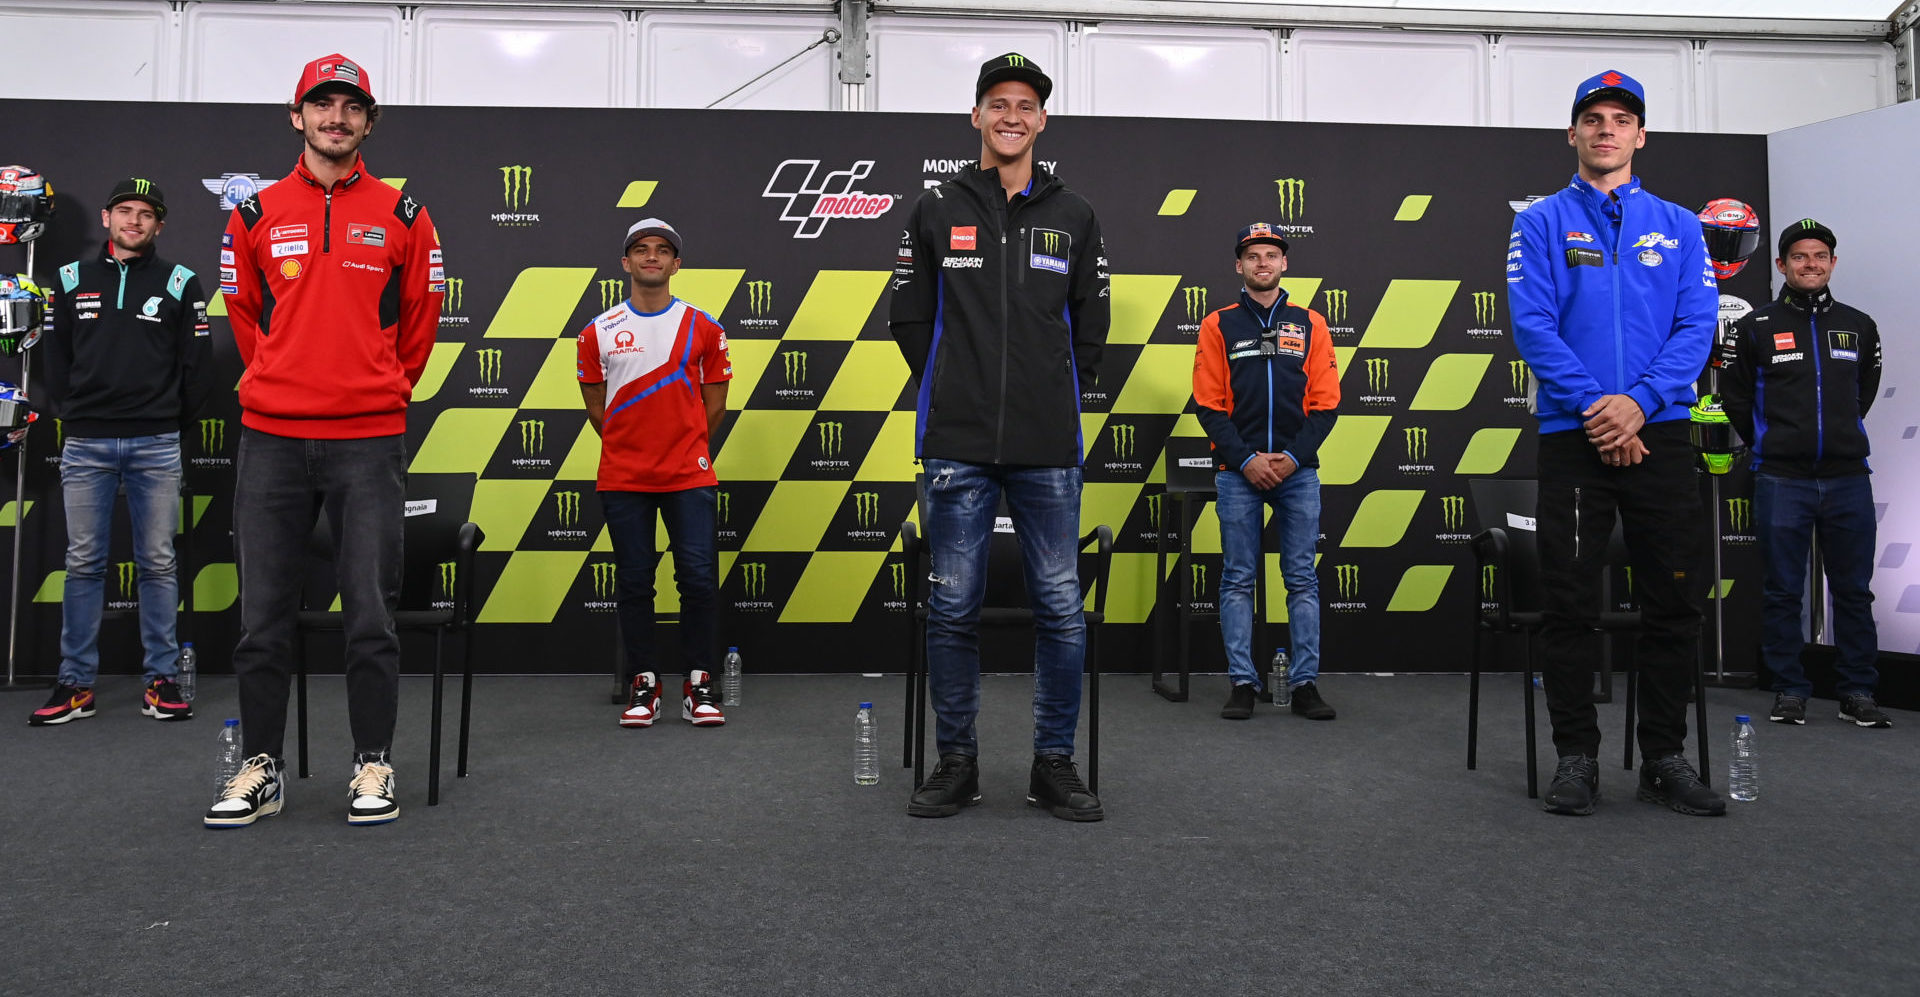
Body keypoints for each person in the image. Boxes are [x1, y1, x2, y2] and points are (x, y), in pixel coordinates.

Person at [206, 54, 444, 828]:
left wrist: (376, 385)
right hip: (271, 438)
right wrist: (286, 377)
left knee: (370, 613)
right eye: (322, 104)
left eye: (350, 106)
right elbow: (245, 320)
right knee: (263, 617)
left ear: (368, 122)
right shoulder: (253, 214)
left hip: (367, 438)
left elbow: (420, 323)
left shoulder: (406, 215)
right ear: (296, 115)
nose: (335, 117)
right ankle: (261, 767)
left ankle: (372, 760)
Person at [888, 53, 1111, 821]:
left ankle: (1053, 763)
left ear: (1042, 120)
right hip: (956, 446)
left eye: (1026, 105)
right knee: (952, 611)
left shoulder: (1075, 213)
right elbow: (910, 318)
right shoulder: (933, 207)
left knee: (1058, 607)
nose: (1012, 115)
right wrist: (959, 388)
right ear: (976, 116)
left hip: (1049, 449)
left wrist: (1051, 396)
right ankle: (958, 762)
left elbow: (1091, 327)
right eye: (998, 103)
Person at [1505, 69, 1725, 817]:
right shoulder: (1537, 223)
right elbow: (1532, 325)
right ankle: (1577, 756)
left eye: (1620, 118)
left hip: (1659, 434)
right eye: (1592, 118)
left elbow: (1698, 327)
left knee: (1673, 601)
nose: (1606, 129)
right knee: (1568, 602)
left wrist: (1637, 404)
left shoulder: (1680, 224)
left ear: (1640, 135)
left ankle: (1663, 756)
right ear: (1572, 133)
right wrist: (1602, 408)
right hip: (1575, 437)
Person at [31, 178, 212, 727]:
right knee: (84, 562)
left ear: (159, 225)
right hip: (86, 443)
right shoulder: (68, 279)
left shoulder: (180, 281)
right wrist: (77, 414)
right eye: (124, 211)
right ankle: (75, 683)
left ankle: (159, 679)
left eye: (147, 213)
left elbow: (197, 369)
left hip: (156, 442)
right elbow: (54, 362)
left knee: (157, 562)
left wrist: (165, 420)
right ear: (107, 218)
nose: (134, 220)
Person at [1719, 220, 1889, 729]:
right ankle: (1789, 689)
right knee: (1782, 590)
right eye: (1799, 257)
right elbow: (1736, 397)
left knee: (1854, 591)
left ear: (1833, 263)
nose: (1810, 264)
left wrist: (1835, 437)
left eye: (1820, 256)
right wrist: (1772, 444)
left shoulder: (1859, 325)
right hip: (1780, 479)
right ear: (1781, 265)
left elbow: (1864, 392)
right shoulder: (1757, 328)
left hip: (1848, 478)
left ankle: (1857, 690)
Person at [578, 219, 731, 730]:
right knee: (635, 581)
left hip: (689, 474)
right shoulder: (595, 331)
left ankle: (699, 683)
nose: (651, 257)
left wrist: (681, 446)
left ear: (675, 264)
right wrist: (633, 446)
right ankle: (644, 683)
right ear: (625, 262)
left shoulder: (704, 327)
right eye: (640, 250)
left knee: (699, 581)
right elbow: (598, 408)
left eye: (662, 251)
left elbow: (715, 405)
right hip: (624, 475)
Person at [1192, 223, 1339, 722]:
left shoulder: (1312, 323)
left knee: (1301, 579)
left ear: (1284, 264)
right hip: (1239, 472)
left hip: (1298, 472)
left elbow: (1326, 404)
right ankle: (1242, 682)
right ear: (1239, 265)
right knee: (1237, 578)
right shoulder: (1218, 324)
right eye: (1252, 255)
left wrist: (1291, 459)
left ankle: (1305, 684)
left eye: (1270, 255)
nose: (1262, 263)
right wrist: (1247, 460)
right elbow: (1208, 406)